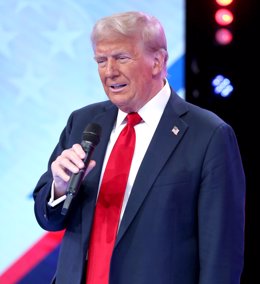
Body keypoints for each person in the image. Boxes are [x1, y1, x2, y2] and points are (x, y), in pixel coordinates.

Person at [33, 11, 246, 284]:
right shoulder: (84, 122)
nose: (110, 71)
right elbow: (49, 219)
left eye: (121, 58)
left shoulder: (209, 135)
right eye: (101, 60)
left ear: (157, 61)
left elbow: (221, 255)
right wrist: (59, 189)